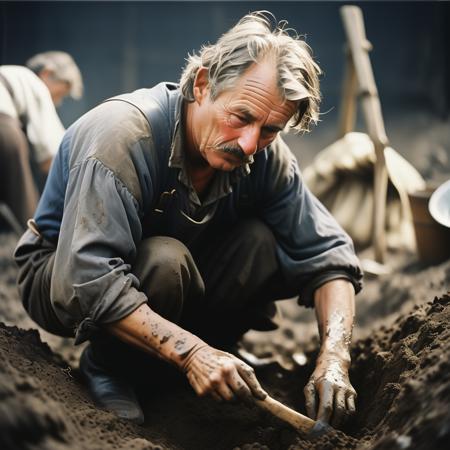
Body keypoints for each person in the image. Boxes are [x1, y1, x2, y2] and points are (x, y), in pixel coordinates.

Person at [14, 12, 363, 428]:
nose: (250, 144)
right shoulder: (124, 135)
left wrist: (335, 358)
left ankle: (220, 347)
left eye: (270, 129)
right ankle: (110, 366)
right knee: (165, 260)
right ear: (202, 85)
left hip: (166, 264)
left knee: (258, 241)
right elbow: (88, 275)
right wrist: (191, 353)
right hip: (62, 272)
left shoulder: (264, 155)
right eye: (241, 117)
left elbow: (329, 253)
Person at [0, 51, 83, 228]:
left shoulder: (8, 74)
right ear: (47, 73)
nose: (59, 102)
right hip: (3, 129)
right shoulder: (34, 83)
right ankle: (35, 248)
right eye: (61, 92)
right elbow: (50, 157)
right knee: (28, 216)